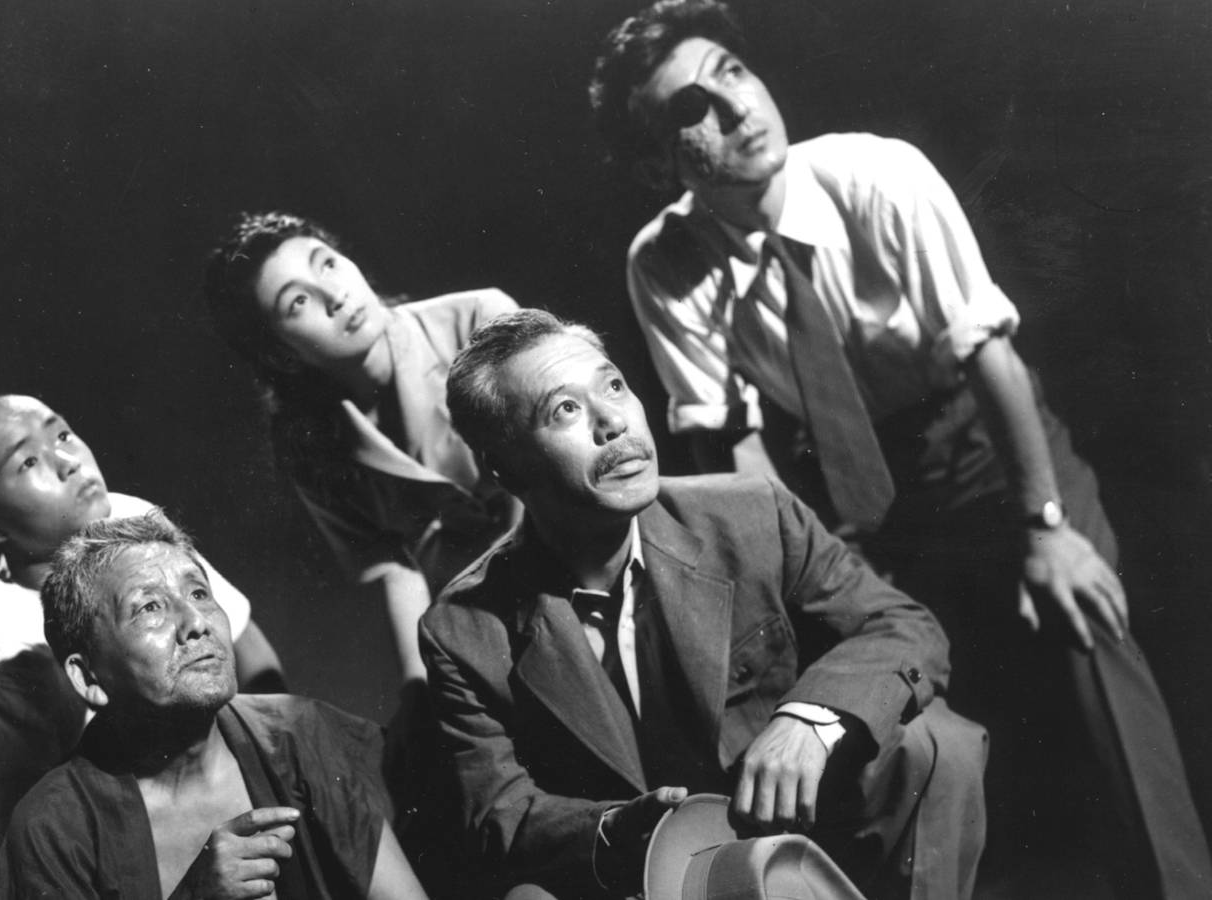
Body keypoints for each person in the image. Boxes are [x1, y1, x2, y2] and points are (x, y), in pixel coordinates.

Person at [587, 1, 1211, 893]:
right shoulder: (663, 262)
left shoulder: (879, 176)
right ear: (656, 160)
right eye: (692, 109)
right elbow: (730, 445)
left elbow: (989, 355)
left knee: (1088, 634)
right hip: (851, 493)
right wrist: (815, 583)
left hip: (989, 446)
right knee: (894, 707)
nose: (735, 110)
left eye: (732, 73)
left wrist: (1046, 526)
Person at [423, 310, 987, 900]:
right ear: (505, 467)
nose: (614, 422)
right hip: (637, 879)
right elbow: (497, 812)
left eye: (613, 385)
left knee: (935, 742)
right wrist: (616, 828)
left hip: (791, 846)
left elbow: (901, 624)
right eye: (564, 409)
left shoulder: (751, 512)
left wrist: (811, 720)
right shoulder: (461, 629)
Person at [0, 512, 427, 900]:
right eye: (149, 608)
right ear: (88, 678)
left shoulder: (300, 734)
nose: (197, 624)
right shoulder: (54, 828)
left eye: (199, 594)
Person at [0, 393, 284, 837]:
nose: (68, 461)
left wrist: (281, 767)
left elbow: (247, 644)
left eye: (62, 434)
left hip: (232, 778)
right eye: (27, 463)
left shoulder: (125, 517)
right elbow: (30, 838)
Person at [205, 211, 521, 687]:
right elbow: (392, 570)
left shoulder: (481, 319)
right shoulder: (307, 443)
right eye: (298, 302)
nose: (335, 296)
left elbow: (544, 470)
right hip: (468, 616)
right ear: (281, 353)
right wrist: (420, 687)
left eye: (326, 264)